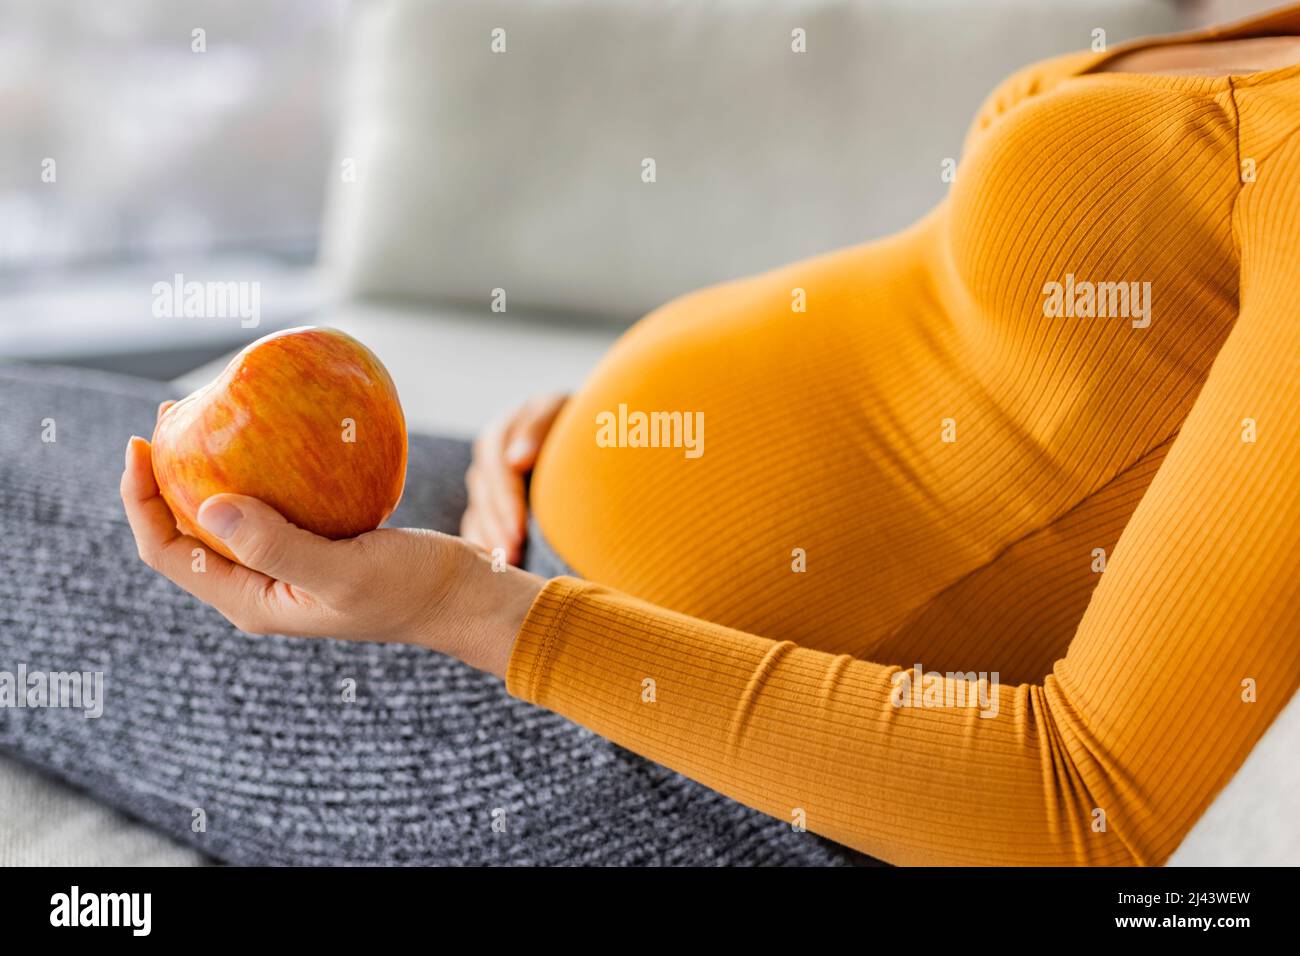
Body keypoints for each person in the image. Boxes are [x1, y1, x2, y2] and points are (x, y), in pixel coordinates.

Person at [5, 4, 1300, 866]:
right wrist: (636, 430)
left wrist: (472, 610)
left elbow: (1085, 804)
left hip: (683, 765)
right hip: (529, 555)